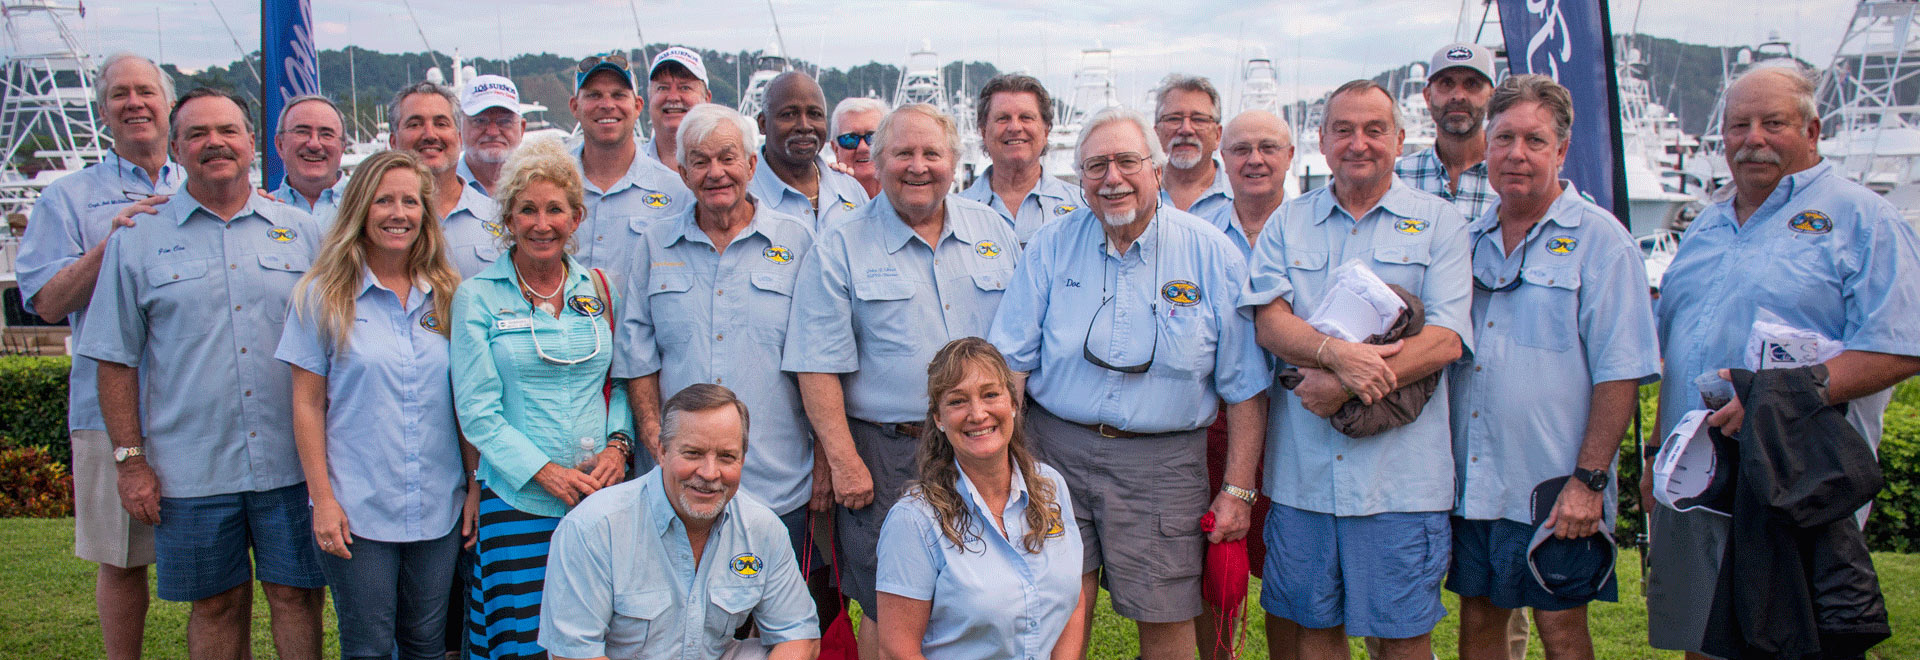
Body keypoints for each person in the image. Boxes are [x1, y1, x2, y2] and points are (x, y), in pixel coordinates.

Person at [1644, 62, 1920, 660]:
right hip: (1699, 478)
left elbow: (1901, 346)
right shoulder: (1706, 224)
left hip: (1792, 480)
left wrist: (1777, 395)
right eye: (1739, 124)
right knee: (1702, 641)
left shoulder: (1862, 218)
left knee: (1791, 641)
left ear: (1813, 130)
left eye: (1773, 123)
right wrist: (1653, 456)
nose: (1753, 139)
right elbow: (1677, 350)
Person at [987, 106, 1270, 660]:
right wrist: (1006, 470)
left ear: (1156, 171)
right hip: (1055, 455)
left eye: (1125, 162)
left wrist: (1237, 492)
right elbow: (1010, 365)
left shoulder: (1211, 253)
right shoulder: (1050, 245)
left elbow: (1245, 389)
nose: (1111, 178)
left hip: (1163, 466)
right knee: (1053, 611)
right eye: (1095, 166)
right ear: (1081, 180)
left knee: (1166, 619)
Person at [76, 87, 327, 660]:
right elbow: (115, 359)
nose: (215, 143)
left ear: (252, 142)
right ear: (175, 146)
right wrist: (130, 461)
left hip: (292, 463)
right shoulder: (138, 238)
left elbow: (333, 345)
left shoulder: (302, 231)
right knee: (215, 605)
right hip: (191, 468)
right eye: (196, 134)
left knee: (298, 597)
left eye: (228, 130)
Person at [1242, 79, 1472, 660]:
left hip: (1400, 483)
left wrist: (1342, 381)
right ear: (1322, 140)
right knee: (1314, 637)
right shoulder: (1287, 224)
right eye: (1343, 129)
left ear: (1399, 139)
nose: (1358, 143)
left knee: (1401, 642)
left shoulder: (1441, 224)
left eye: (1374, 129)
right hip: (1303, 481)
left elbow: (1446, 340)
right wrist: (1336, 355)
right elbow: (1269, 323)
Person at [784, 103, 1021, 659]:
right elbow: (817, 366)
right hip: (890, 455)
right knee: (891, 602)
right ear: (879, 159)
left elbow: (1021, 345)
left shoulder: (995, 232)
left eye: (931, 153)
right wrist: (844, 461)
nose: (918, 166)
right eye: (903, 154)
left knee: (987, 589)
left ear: (954, 162)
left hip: (985, 448)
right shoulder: (840, 245)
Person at [1446, 75, 1659, 660]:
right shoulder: (1469, 240)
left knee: (1561, 629)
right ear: (1486, 146)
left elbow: (1620, 375)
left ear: (1561, 151)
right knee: (1481, 616)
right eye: (1505, 137)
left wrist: (1588, 482)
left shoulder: (1602, 242)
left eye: (1534, 141)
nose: (1517, 154)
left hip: (1554, 486)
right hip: (1476, 476)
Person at [14, 51, 180, 660]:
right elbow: (48, 302)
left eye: (145, 90)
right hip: (110, 410)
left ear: (168, 102)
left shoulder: (204, 184)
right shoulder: (69, 197)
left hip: (196, 407)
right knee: (121, 558)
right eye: (119, 94)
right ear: (102, 109)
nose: (134, 102)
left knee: (221, 568)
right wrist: (110, 244)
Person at [276, 150, 472, 660]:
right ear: (360, 208)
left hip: (438, 505)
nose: (398, 213)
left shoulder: (450, 297)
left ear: (426, 215)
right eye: (384, 200)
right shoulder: (321, 296)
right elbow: (306, 404)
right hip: (357, 509)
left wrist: (474, 487)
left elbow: (466, 404)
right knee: (366, 646)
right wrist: (323, 499)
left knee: (428, 643)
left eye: (410, 201)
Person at [450, 136, 637, 660]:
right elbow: (478, 414)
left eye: (555, 209)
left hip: (599, 497)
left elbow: (619, 382)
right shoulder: (478, 297)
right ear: (507, 219)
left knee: (602, 633)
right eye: (526, 209)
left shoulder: (599, 289)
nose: (541, 223)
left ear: (576, 218)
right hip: (519, 500)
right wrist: (545, 473)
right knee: (526, 636)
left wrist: (617, 448)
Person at [614, 103, 820, 564]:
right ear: (683, 173)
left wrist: (826, 460)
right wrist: (657, 444)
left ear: (750, 164)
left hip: (776, 479)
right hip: (678, 481)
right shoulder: (654, 245)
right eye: (700, 161)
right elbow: (638, 359)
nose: (716, 173)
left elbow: (820, 358)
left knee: (776, 618)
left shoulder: (799, 240)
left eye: (727, 158)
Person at [538, 384, 821, 660]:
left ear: (743, 459)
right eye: (693, 453)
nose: (710, 473)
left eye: (726, 457)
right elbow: (574, 654)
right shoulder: (594, 528)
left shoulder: (762, 529)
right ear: (661, 451)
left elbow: (799, 635)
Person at [875, 337, 1085, 659]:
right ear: (939, 420)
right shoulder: (914, 521)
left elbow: (1073, 598)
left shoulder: (1050, 486)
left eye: (990, 395)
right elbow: (896, 649)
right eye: (958, 401)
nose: (978, 413)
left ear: (1013, 403)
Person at [1193, 108, 1293, 660]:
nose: (1254, 159)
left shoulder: (1307, 225)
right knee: (1215, 561)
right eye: (1241, 149)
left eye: (1268, 148)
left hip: (1298, 421)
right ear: (1222, 157)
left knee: (1286, 571)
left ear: (1291, 156)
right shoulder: (1195, 227)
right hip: (1218, 419)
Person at [567, 52, 691, 273]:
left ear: (638, 106)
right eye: (594, 95)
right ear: (575, 106)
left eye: (618, 95)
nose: (607, 105)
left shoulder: (678, 193)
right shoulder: (550, 184)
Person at [388, 81, 501, 278]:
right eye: (415, 124)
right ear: (393, 141)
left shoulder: (499, 217)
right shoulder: (374, 223)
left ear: (459, 138)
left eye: (441, 124)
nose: (430, 134)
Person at [958, 74, 1082, 243]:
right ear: (983, 132)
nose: (1015, 127)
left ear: (1046, 131)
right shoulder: (955, 213)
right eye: (1003, 118)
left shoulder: (1084, 208)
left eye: (1026, 117)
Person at [749, 71, 871, 230]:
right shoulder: (744, 195)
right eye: (789, 114)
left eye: (815, 114)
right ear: (763, 124)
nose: (804, 126)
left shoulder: (850, 189)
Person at [1395, 43, 1499, 221]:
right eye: (1446, 83)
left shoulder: (1510, 177)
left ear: (1492, 97)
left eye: (1472, 84)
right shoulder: (1397, 179)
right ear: (1427, 97)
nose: (1458, 96)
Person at [1153, 74, 1233, 219]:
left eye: (1198, 120)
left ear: (1217, 135)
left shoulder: (1240, 196)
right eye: (1174, 119)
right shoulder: (1139, 196)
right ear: (1156, 133)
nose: (1186, 129)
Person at [271, 95, 349, 226]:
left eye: (326, 134)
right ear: (280, 145)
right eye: (302, 132)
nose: (314, 144)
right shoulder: (260, 214)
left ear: (342, 147)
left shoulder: (368, 208)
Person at [639, 45, 714, 173]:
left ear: (706, 98)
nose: (673, 97)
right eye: (663, 88)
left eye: (684, 88)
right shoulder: (628, 167)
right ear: (649, 97)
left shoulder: (729, 167)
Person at [457, 74, 527, 197]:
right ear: (460, 127)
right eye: (480, 121)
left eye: (505, 121)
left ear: (522, 129)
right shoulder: (438, 187)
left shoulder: (535, 186)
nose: (492, 132)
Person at [830, 96, 887, 198]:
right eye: (850, 139)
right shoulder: (823, 197)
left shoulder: (909, 199)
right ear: (836, 150)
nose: (863, 148)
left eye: (873, 137)